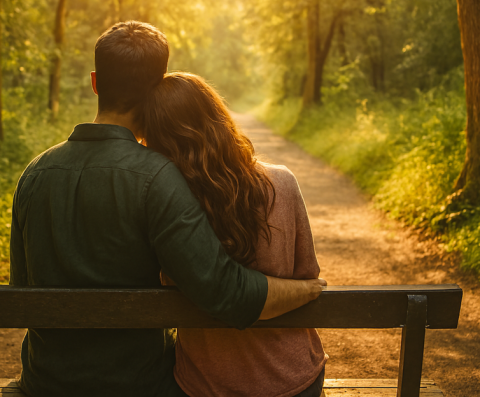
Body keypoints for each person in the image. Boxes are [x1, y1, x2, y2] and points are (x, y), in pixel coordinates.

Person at [9, 21, 326, 397]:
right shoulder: (157, 176)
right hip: (139, 385)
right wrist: (307, 289)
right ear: (154, 93)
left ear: (96, 82)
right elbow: (224, 291)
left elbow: (21, 288)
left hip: (44, 381)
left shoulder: (34, 173)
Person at [143, 72, 327, 397]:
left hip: (205, 384)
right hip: (294, 378)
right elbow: (307, 275)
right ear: (217, 116)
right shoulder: (281, 183)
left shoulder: (168, 203)